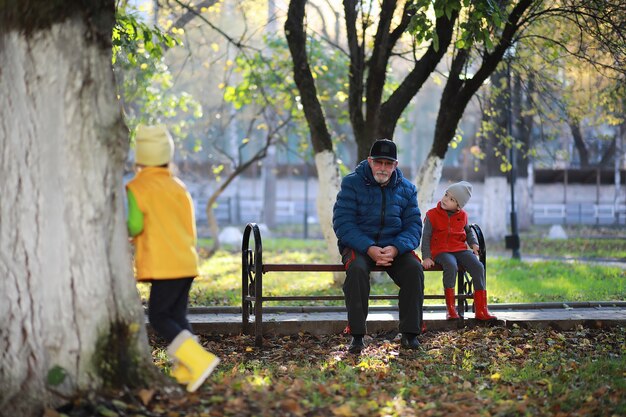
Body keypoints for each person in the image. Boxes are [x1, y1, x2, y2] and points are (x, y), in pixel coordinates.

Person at [126, 124, 219, 392]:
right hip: (186, 262)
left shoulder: (136, 187)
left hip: (164, 264)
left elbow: (134, 226)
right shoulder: (178, 186)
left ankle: (198, 360)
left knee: (158, 316)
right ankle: (188, 369)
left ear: (139, 158)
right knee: (178, 316)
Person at [333, 139, 424, 354]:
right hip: (359, 245)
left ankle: (410, 334)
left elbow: (413, 226)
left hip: (394, 246)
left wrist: (396, 248)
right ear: (369, 161)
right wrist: (369, 248)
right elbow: (343, 223)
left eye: (388, 163)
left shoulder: (408, 189)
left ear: (396, 165)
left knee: (414, 269)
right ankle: (356, 335)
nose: (383, 168)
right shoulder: (351, 183)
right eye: (378, 162)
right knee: (356, 270)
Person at [421, 181, 496, 321]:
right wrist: (426, 257)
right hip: (441, 251)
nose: (445, 199)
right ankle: (450, 309)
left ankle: (481, 309)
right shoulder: (432, 215)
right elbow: (426, 238)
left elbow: (468, 232)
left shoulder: (463, 216)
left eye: (451, 199)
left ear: (458, 206)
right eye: (446, 195)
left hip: (459, 249)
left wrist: (473, 244)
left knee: (478, 267)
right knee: (451, 265)